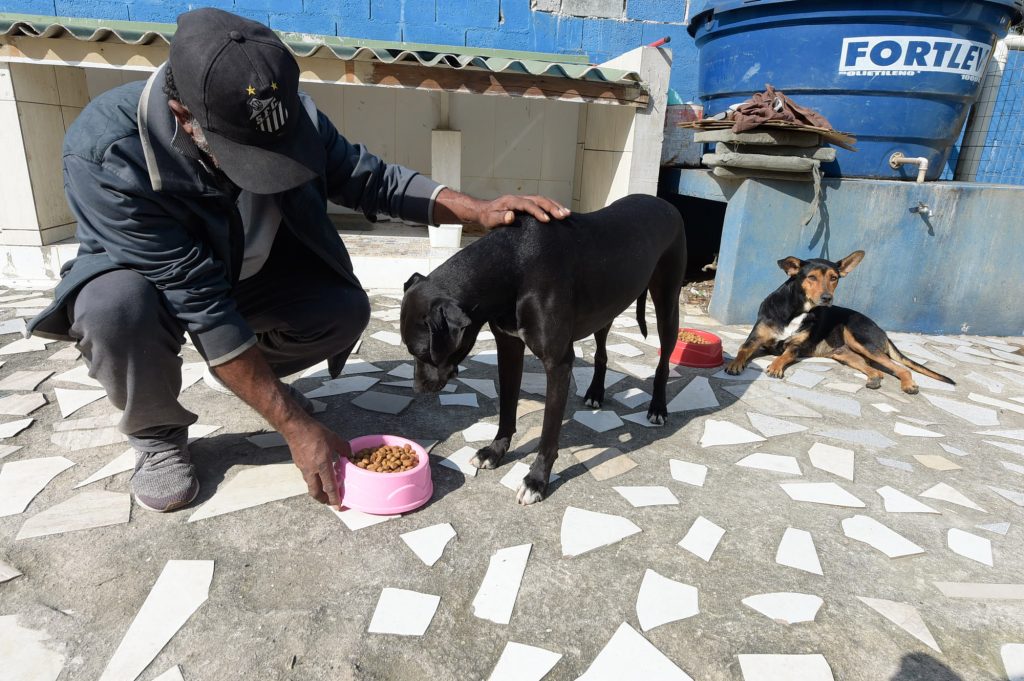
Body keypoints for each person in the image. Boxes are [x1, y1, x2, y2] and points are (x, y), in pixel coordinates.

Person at [28, 8, 569, 513]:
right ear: (182, 115)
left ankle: (250, 375)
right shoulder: (107, 153)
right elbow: (199, 301)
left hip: (247, 279)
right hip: (155, 290)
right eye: (247, 156)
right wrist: (292, 424)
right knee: (114, 309)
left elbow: (369, 178)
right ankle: (157, 435)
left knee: (340, 309)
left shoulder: (291, 114)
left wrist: (477, 208)